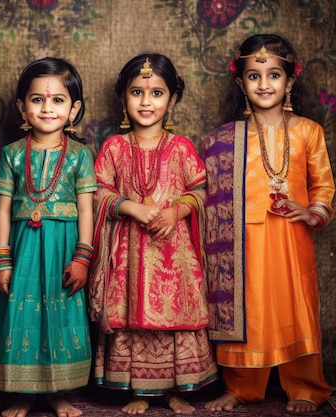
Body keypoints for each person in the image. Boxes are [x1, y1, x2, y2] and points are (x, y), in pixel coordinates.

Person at [203, 34, 334, 414]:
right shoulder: (224, 139)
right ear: (241, 83)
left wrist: (314, 212)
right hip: (242, 237)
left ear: (290, 81)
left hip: (292, 233)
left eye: (274, 74)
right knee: (249, 307)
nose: (264, 84)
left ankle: (306, 387)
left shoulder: (308, 131)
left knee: (296, 305)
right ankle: (242, 387)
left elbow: (323, 185)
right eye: (254, 76)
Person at [89, 53, 218, 415]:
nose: (146, 102)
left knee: (175, 317)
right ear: (123, 98)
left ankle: (176, 390)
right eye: (137, 92)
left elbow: (202, 190)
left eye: (157, 93)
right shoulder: (114, 147)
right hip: (128, 253)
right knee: (131, 317)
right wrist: (132, 208)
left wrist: (177, 210)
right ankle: (138, 392)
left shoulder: (181, 147)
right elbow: (98, 191)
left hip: (174, 253)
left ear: (172, 99)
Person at [0, 57, 96, 417]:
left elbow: (86, 210)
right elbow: (2, 209)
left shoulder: (80, 155)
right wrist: (2, 259)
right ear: (21, 106)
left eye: (58, 100)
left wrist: (82, 258)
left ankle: (58, 393)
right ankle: (23, 392)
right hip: (22, 246)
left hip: (64, 247)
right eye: (37, 100)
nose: (47, 108)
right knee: (21, 313)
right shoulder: (12, 154)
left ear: (74, 109)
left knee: (62, 315)